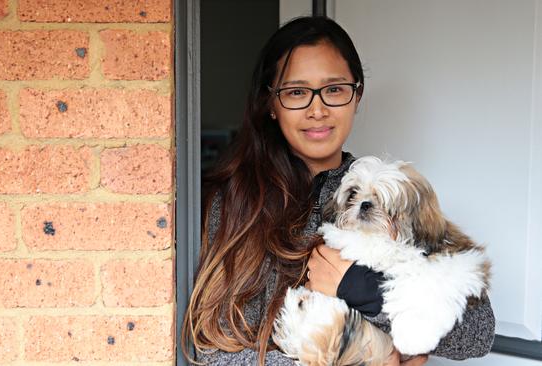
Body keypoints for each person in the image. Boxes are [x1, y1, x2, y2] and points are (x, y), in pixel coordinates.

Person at [182, 16, 495, 366]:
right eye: (296, 92)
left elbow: (478, 335)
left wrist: (362, 289)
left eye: (334, 89)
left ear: (356, 95)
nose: (318, 110)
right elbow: (210, 349)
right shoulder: (232, 203)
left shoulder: (392, 196)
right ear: (271, 103)